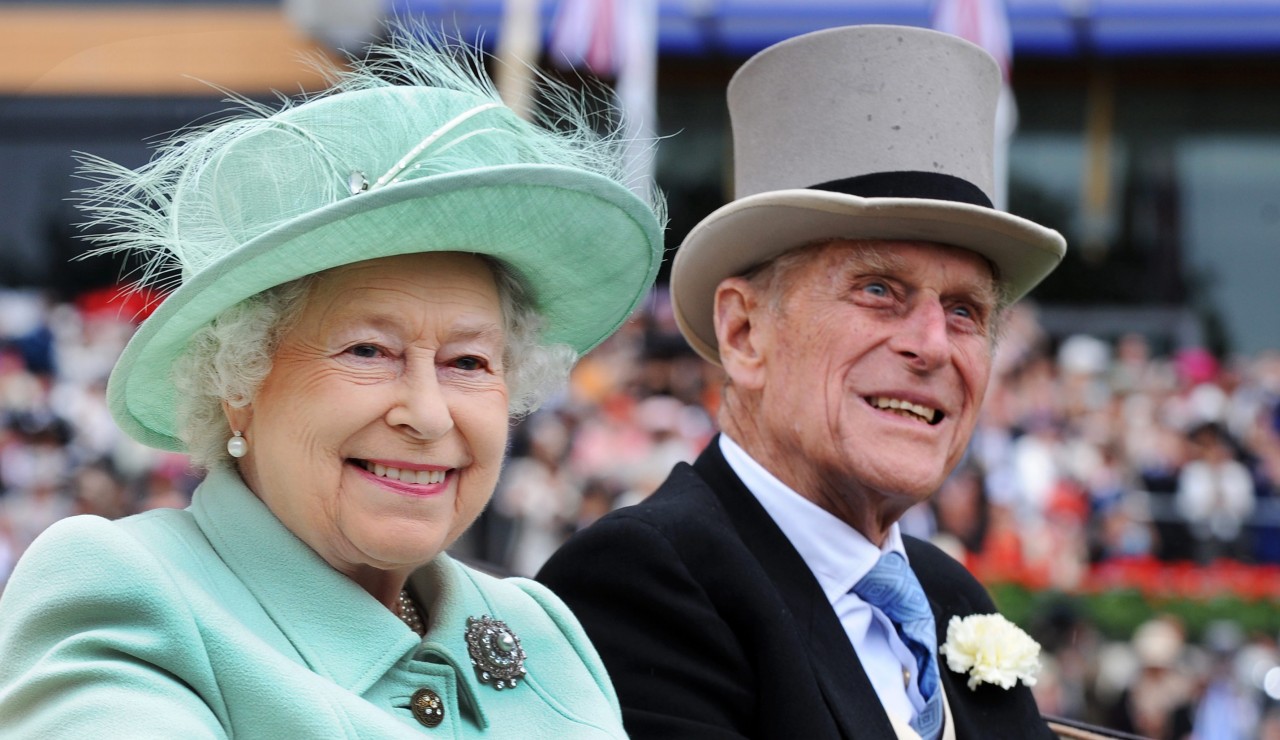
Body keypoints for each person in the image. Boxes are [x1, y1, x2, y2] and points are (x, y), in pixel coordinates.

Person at [0, 28, 664, 737]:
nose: (428, 415)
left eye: (468, 363)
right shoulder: (126, 589)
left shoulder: (541, 628)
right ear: (239, 381)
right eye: (369, 351)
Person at [538, 25, 1067, 739]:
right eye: (879, 289)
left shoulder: (951, 598)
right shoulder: (644, 581)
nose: (932, 345)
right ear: (745, 333)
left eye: (965, 310)